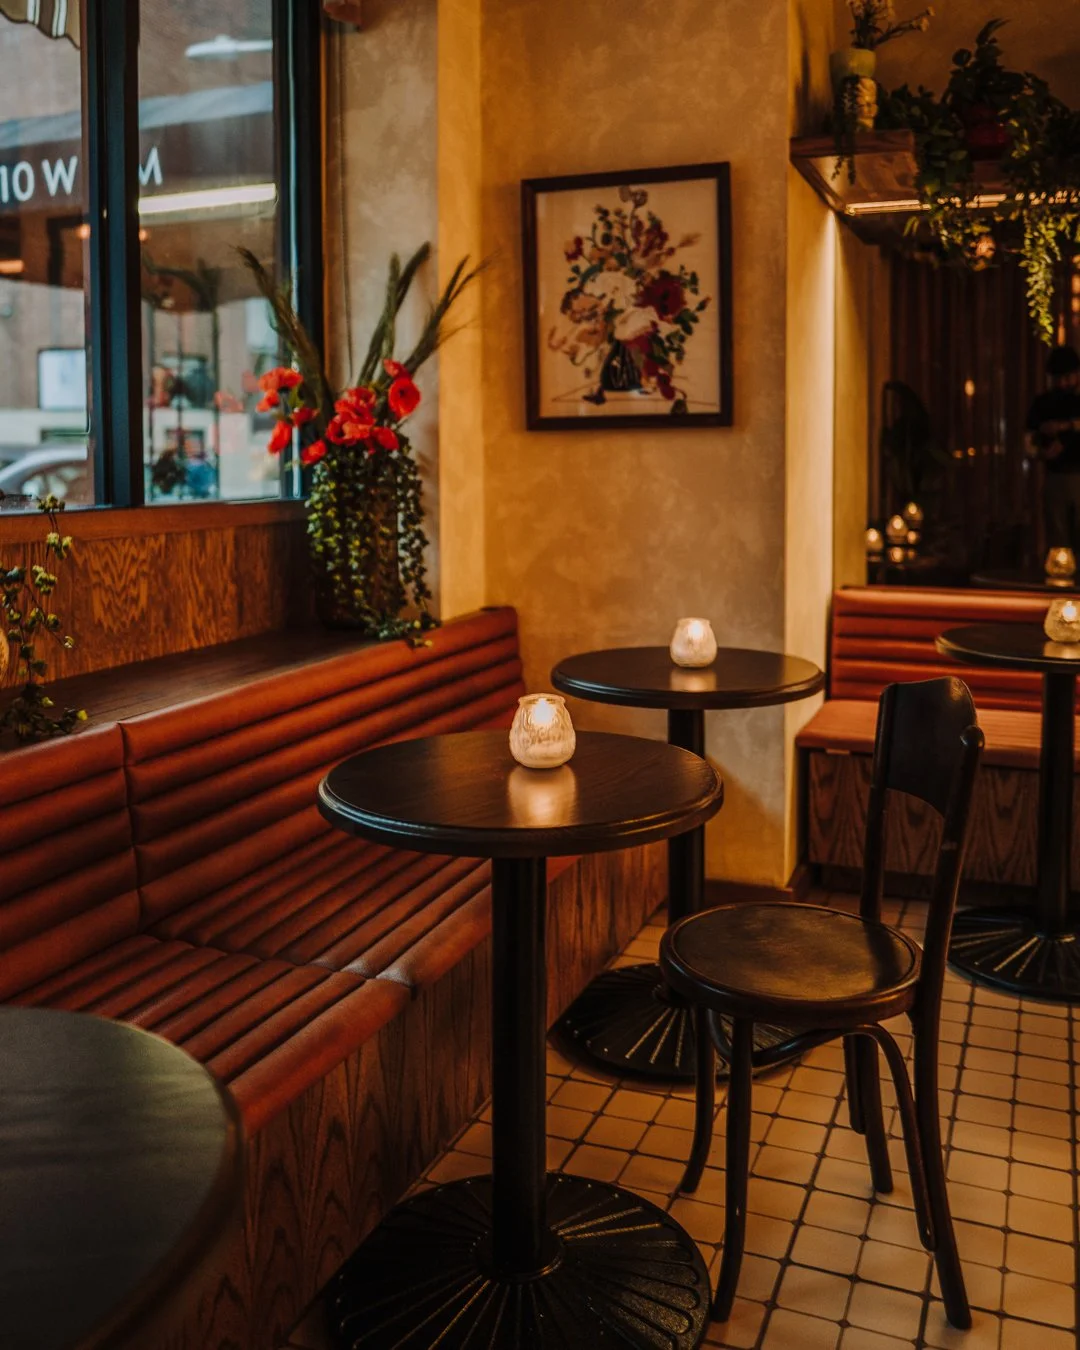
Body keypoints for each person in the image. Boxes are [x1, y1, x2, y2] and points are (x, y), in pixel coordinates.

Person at [1027, 344, 1080, 553]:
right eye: (1058, 378)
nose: (1062, 383)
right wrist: (1041, 453)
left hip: (1078, 473)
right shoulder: (1044, 403)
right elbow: (1029, 437)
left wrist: (1065, 427)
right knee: (1058, 539)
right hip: (1055, 475)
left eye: (1067, 377)